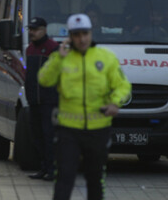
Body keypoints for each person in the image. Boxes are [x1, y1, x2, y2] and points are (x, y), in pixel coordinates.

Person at [39, 14, 131, 200]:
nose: (82, 39)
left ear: (91, 33)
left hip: (98, 130)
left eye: (85, 34)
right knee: (64, 177)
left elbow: (123, 86)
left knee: (95, 179)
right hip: (68, 130)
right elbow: (44, 80)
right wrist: (58, 58)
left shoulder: (106, 58)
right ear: (70, 37)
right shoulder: (61, 57)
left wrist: (115, 102)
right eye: (77, 35)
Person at [25, 16, 59, 180]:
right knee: (36, 136)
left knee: (49, 136)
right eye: (30, 29)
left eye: (35, 29)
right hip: (34, 101)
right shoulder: (30, 49)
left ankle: (53, 169)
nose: (32, 32)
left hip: (49, 101)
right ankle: (43, 167)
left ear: (44, 30)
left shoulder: (53, 48)